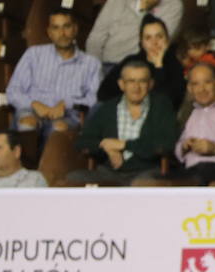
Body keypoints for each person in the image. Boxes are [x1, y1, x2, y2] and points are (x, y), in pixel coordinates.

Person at [71, 57, 178, 185]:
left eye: (142, 81)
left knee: (143, 186)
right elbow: (83, 141)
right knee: (74, 179)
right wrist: (107, 146)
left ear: (150, 84)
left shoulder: (162, 106)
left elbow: (166, 143)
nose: (136, 87)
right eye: (131, 81)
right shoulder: (107, 108)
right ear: (122, 84)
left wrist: (124, 144)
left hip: (145, 172)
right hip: (109, 172)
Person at [5, 6, 102, 135]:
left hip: (68, 115)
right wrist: (34, 104)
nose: (62, 33)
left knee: (58, 129)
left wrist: (67, 103)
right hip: (32, 110)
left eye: (66, 27)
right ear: (49, 33)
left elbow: (94, 98)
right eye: (56, 28)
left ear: (75, 29)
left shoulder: (92, 63)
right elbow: (13, 91)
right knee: (27, 124)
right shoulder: (33, 54)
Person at [86, 0, 184, 66]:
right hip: (109, 65)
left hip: (144, 68)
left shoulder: (173, 4)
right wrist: (95, 69)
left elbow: (159, 45)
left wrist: (144, 8)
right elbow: (95, 39)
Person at [98, 15, 186, 111]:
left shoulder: (175, 65)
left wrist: (158, 66)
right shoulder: (131, 61)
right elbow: (103, 93)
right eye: (148, 38)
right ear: (142, 42)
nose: (154, 42)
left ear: (167, 40)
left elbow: (169, 102)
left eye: (159, 37)